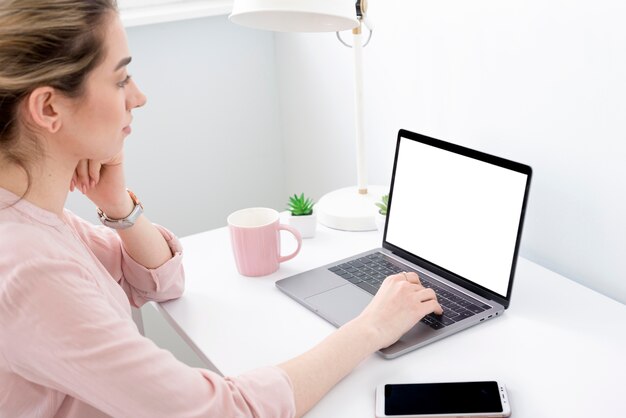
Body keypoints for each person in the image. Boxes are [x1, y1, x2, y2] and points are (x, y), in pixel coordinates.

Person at [0, 1, 443, 417]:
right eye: (120, 80)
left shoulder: (32, 210)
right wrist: (370, 329)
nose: (138, 97)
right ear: (49, 107)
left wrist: (118, 206)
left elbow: (160, 283)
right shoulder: (29, 268)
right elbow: (226, 411)